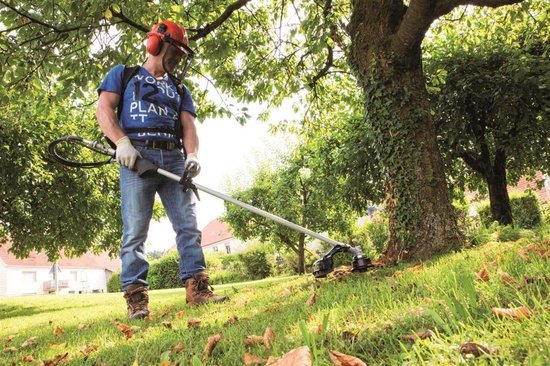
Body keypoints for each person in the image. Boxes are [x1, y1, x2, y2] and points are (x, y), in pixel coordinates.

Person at [96, 20, 228, 319]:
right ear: (156, 44)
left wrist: (192, 155)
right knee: (135, 231)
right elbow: (103, 109)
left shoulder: (179, 88)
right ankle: (136, 298)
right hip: (137, 157)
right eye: (177, 52)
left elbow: (188, 126)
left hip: (173, 159)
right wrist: (122, 142)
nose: (180, 59)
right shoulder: (124, 74)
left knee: (188, 226)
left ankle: (198, 288)